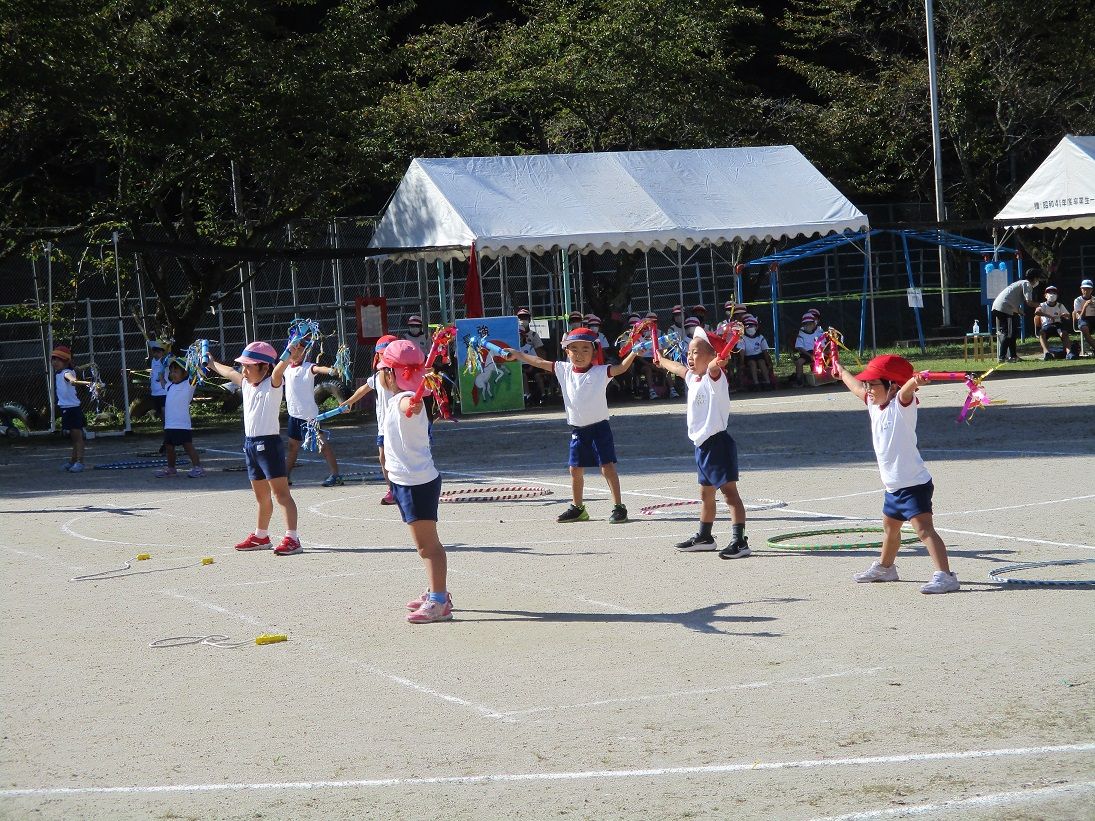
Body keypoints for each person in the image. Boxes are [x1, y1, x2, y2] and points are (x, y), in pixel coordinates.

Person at [836, 354, 959, 594]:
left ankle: (946, 576)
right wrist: (840, 371)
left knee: (924, 530)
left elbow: (906, 391)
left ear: (892, 385)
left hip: (913, 485)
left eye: (873, 384)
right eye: (868, 384)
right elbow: (855, 386)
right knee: (890, 529)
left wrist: (914, 381)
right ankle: (886, 567)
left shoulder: (901, 406)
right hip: (893, 487)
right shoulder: (874, 404)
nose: (868, 388)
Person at [507, 327, 639, 523]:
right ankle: (578, 508)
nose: (579, 354)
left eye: (585, 349)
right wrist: (518, 354)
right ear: (567, 351)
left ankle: (619, 507)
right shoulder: (563, 369)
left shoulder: (601, 372)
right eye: (574, 349)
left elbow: (621, 368)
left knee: (607, 467)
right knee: (575, 469)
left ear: (594, 351)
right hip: (578, 429)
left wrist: (635, 351)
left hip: (600, 428)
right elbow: (539, 362)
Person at [653, 329, 750, 559]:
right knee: (706, 494)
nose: (689, 356)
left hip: (718, 444)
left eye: (695, 352)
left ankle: (740, 541)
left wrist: (718, 360)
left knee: (730, 495)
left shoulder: (713, 377)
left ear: (711, 356)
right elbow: (678, 369)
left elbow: (715, 365)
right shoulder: (693, 377)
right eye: (688, 352)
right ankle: (705, 536)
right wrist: (660, 358)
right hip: (702, 446)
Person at [375, 340, 452, 624]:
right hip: (404, 481)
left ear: (391, 374)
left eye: (383, 369)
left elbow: (413, 406)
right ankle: (436, 590)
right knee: (424, 546)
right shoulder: (398, 398)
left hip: (416, 484)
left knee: (428, 547)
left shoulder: (409, 400)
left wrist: (415, 400)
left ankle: (439, 601)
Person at [206, 342, 301, 556]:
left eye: (249, 367)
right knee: (261, 496)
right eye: (244, 366)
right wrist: (212, 364)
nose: (244, 371)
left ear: (264, 368)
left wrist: (289, 352)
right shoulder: (247, 384)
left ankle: (293, 538)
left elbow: (278, 369)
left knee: (281, 494)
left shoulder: (273, 383)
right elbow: (229, 371)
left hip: (269, 446)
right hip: (250, 445)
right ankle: (261, 536)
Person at [341, 335, 399, 505]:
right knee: (383, 457)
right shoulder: (377, 377)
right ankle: (392, 490)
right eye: (382, 354)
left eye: (388, 353)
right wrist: (349, 402)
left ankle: (407, 487)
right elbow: (363, 389)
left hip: (399, 424)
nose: (385, 357)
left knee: (401, 457)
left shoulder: (401, 374)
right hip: (383, 426)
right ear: (377, 356)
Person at [283, 338, 343, 487]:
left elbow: (319, 368)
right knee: (292, 448)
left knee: (322, 445)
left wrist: (330, 370)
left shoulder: (307, 367)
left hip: (310, 418)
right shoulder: (285, 368)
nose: (297, 352)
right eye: (294, 349)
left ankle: (335, 475)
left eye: (300, 350)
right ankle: (285, 477)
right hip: (294, 416)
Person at [156, 357, 204, 478]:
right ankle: (171, 468)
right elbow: (163, 383)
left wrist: (195, 363)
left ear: (185, 373)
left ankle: (198, 468)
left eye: (176, 371)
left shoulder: (189, 385)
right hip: (169, 425)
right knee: (169, 447)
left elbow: (195, 375)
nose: (172, 374)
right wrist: (161, 374)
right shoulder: (169, 386)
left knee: (188, 446)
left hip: (182, 424)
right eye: (171, 371)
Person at [51, 345, 92, 472]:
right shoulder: (59, 373)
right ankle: (73, 461)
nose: (55, 362)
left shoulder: (66, 373)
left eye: (59, 359)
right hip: (66, 409)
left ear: (66, 362)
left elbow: (71, 378)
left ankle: (80, 462)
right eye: (54, 359)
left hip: (73, 409)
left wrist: (75, 381)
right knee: (73, 439)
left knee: (77, 438)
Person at [991, 269, 1044, 362]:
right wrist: (1042, 305)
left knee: (1012, 333)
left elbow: (1011, 299)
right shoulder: (1027, 284)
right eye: (1038, 278)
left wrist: (1019, 311)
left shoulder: (1020, 282)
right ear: (1035, 278)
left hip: (1002, 307)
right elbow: (1029, 302)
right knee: (1009, 333)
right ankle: (1002, 357)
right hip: (1004, 308)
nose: (1038, 281)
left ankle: (1013, 356)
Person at [1034, 285, 1071, 360]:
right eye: (1049, 293)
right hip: (1046, 326)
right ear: (1045, 295)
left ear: (1057, 295)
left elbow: (1068, 316)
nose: (1052, 294)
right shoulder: (1042, 305)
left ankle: (1069, 353)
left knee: (1064, 333)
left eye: (1054, 293)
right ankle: (1047, 353)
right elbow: (1037, 312)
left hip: (1057, 325)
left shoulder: (1060, 305)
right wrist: (1048, 316)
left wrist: (1065, 315)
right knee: (1041, 333)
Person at [793, 312, 826, 386]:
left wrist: (820, 354)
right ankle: (799, 380)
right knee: (799, 362)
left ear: (814, 324)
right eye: (806, 324)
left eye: (810, 324)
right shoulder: (801, 334)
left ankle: (821, 379)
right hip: (805, 353)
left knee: (824, 360)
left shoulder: (817, 334)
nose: (809, 326)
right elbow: (800, 348)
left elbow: (822, 346)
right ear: (803, 325)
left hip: (816, 353)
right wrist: (810, 355)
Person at [740, 316, 774, 389]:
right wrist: (742, 363)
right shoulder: (742, 338)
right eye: (747, 326)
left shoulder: (760, 337)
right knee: (753, 363)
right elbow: (742, 352)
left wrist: (769, 363)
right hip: (748, 357)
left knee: (762, 362)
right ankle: (756, 383)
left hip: (759, 356)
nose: (749, 327)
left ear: (756, 327)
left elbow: (765, 351)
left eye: (752, 325)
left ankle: (768, 382)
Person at [148, 339, 168, 421]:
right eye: (154, 352)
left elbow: (167, 366)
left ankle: (167, 424)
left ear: (162, 353)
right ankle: (164, 423)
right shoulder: (153, 360)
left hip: (163, 391)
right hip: (154, 392)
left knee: (164, 409)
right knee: (158, 410)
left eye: (158, 352)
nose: (156, 354)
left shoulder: (164, 360)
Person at [1073, 279, 1095, 355]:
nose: (1086, 291)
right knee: (1084, 328)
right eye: (1084, 288)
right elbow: (1080, 315)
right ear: (1081, 289)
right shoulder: (1078, 300)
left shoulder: (1094, 299)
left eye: (1088, 288)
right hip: (1083, 319)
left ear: (1091, 289)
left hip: (1093, 318)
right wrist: (1085, 306)